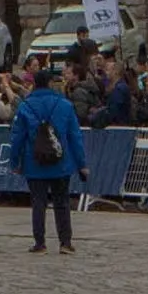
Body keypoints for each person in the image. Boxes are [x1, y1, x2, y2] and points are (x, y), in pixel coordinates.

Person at [11, 60, 87, 253]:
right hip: (61, 161)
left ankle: (40, 242)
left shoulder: (26, 106)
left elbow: (17, 137)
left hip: (34, 162)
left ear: (34, 84)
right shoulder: (65, 105)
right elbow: (75, 137)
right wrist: (81, 163)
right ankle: (65, 242)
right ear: (51, 84)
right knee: (62, 202)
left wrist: (15, 161)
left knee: (38, 203)